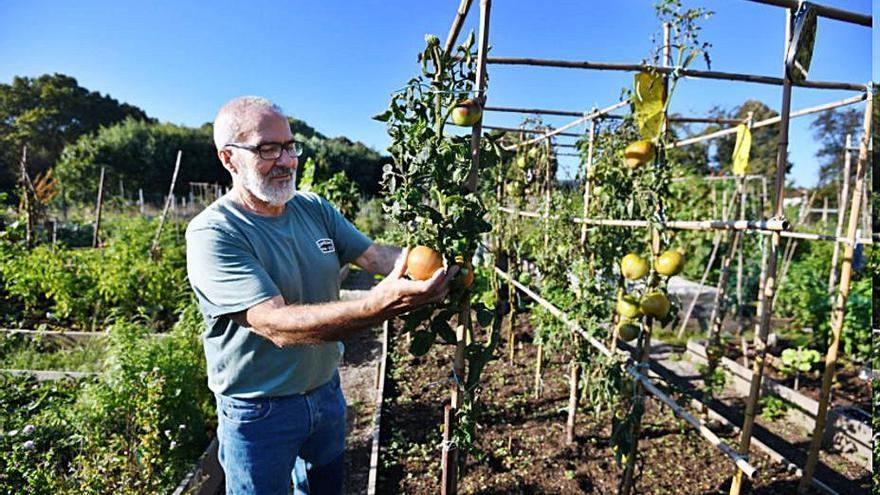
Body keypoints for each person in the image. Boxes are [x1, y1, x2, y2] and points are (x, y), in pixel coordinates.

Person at [186, 96, 456, 495]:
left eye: (290, 146)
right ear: (229, 159)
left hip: (326, 393)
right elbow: (274, 324)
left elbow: (373, 255)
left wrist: (437, 265)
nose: (286, 160)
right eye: (267, 148)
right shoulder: (215, 233)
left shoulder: (312, 207)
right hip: (259, 412)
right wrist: (375, 307)